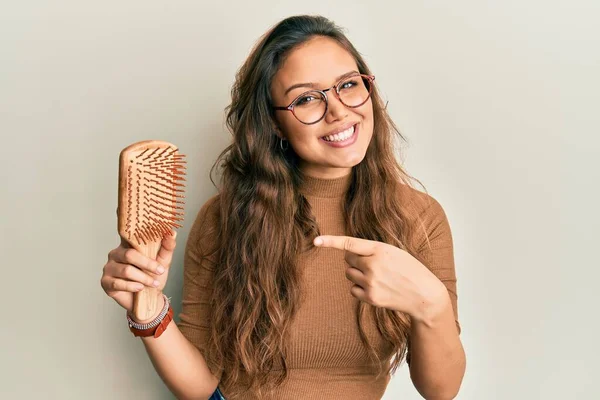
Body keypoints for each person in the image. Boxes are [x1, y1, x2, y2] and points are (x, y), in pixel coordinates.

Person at [101, 14, 466, 400]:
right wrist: (149, 312)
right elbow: (201, 387)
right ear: (274, 124)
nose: (339, 111)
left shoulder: (419, 218)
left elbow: (441, 390)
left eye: (348, 85)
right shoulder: (225, 218)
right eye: (307, 98)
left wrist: (431, 303)